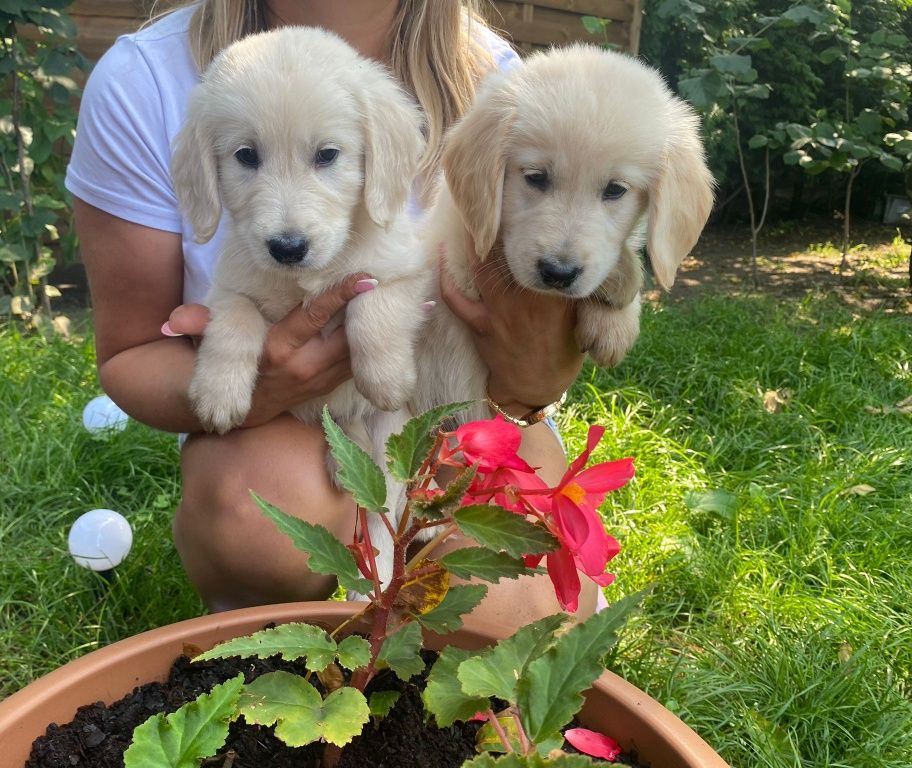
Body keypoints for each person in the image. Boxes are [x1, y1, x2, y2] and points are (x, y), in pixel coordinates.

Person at [68, 0, 594, 633]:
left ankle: (385, 642)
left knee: (524, 615)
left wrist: (535, 387)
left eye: (325, 156)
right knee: (259, 521)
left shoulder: (503, 83)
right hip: (275, 433)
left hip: (458, 400)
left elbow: (542, 292)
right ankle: (299, 643)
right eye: (247, 158)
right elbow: (130, 353)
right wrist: (262, 381)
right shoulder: (148, 82)